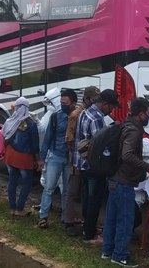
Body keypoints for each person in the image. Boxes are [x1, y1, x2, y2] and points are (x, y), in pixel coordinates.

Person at [101, 97, 149, 268]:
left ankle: (107, 250)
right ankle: (120, 255)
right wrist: (148, 167)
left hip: (115, 178)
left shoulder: (125, 124)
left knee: (111, 217)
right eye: (148, 113)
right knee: (125, 219)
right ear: (141, 114)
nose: (148, 116)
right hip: (124, 181)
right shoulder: (134, 130)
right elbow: (127, 155)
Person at [75, 88, 121, 244]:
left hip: (81, 162)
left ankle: (88, 226)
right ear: (105, 104)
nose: (112, 110)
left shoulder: (84, 112)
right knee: (94, 199)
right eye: (112, 107)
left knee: (87, 197)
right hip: (93, 166)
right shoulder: (97, 119)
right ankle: (90, 234)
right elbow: (99, 146)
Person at [37, 88, 77, 228]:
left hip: (70, 159)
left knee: (67, 190)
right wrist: (42, 158)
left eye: (65, 103)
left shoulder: (77, 117)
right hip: (56, 156)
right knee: (49, 187)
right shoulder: (56, 117)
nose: (63, 105)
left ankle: (66, 217)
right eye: (61, 102)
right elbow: (48, 138)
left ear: (73, 103)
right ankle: (43, 216)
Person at [63, 85, 99, 236]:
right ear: (87, 99)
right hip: (76, 159)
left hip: (84, 161)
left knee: (85, 193)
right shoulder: (76, 114)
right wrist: (73, 161)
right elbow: (70, 139)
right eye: (94, 99)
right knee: (72, 191)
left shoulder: (89, 112)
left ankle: (85, 221)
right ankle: (68, 222)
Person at [2, 97, 39, 216]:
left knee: (12, 181)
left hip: (10, 155)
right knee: (26, 183)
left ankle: (12, 208)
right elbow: (34, 145)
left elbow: (3, 136)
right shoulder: (31, 124)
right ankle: (19, 209)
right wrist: (37, 159)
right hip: (24, 158)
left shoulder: (10, 120)